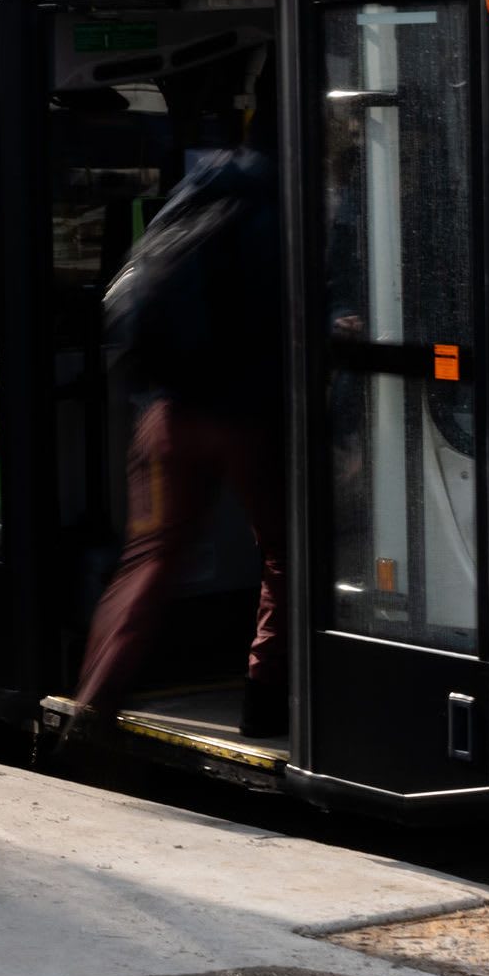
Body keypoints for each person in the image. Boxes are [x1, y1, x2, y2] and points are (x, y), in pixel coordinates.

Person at [72, 122, 288, 739]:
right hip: (246, 419)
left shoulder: (194, 190)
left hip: (168, 417)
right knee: (283, 556)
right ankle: (265, 700)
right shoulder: (283, 201)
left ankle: (92, 707)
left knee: (149, 560)